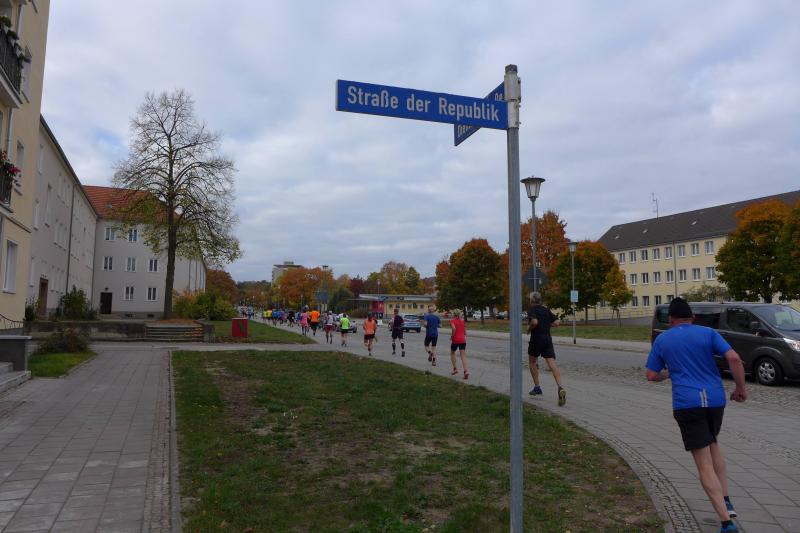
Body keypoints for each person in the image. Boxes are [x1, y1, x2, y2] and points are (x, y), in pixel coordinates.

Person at [646, 297, 747, 533]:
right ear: (692, 317)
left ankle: (726, 522)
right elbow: (734, 358)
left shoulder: (663, 339)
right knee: (713, 444)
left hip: (687, 403)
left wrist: (668, 374)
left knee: (703, 462)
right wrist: (740, 388)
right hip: (715, 400)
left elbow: (651, 375)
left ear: (671, 319)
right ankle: (726, 500)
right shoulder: (708, 333)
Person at [527, 291, 566, 406]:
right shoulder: (546, 309)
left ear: (532, 300)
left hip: (536, 339)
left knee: (532, 361)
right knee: (552, 363)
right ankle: (560, 387)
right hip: (547, 340)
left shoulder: (532, 309)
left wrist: (529, 329)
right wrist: (547, 324)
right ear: (540, 300)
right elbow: (557, 322)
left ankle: (537, 387)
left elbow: (534, 322)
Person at [449, 310, 469, 379]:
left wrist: (452, 336)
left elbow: (454, 328)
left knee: (452, 353)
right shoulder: (463, 321)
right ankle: (466, 371)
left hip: (455, 340)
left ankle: (455, 369)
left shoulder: (452, 321)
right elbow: (465, 332)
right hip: (462, 340)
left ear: (454, 314)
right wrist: (464, 337)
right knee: (463, 356)